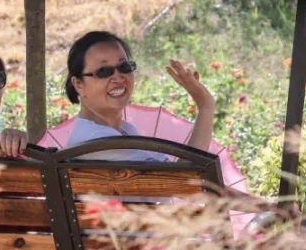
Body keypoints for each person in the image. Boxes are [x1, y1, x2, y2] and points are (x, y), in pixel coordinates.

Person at [63, 31, 215, 161]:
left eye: (124, 66)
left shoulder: (125, 130)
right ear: (79, 84)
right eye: (104, 71)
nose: (118, 77)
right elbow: (184, 179)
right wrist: (205, 105)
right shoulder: (96, 141)